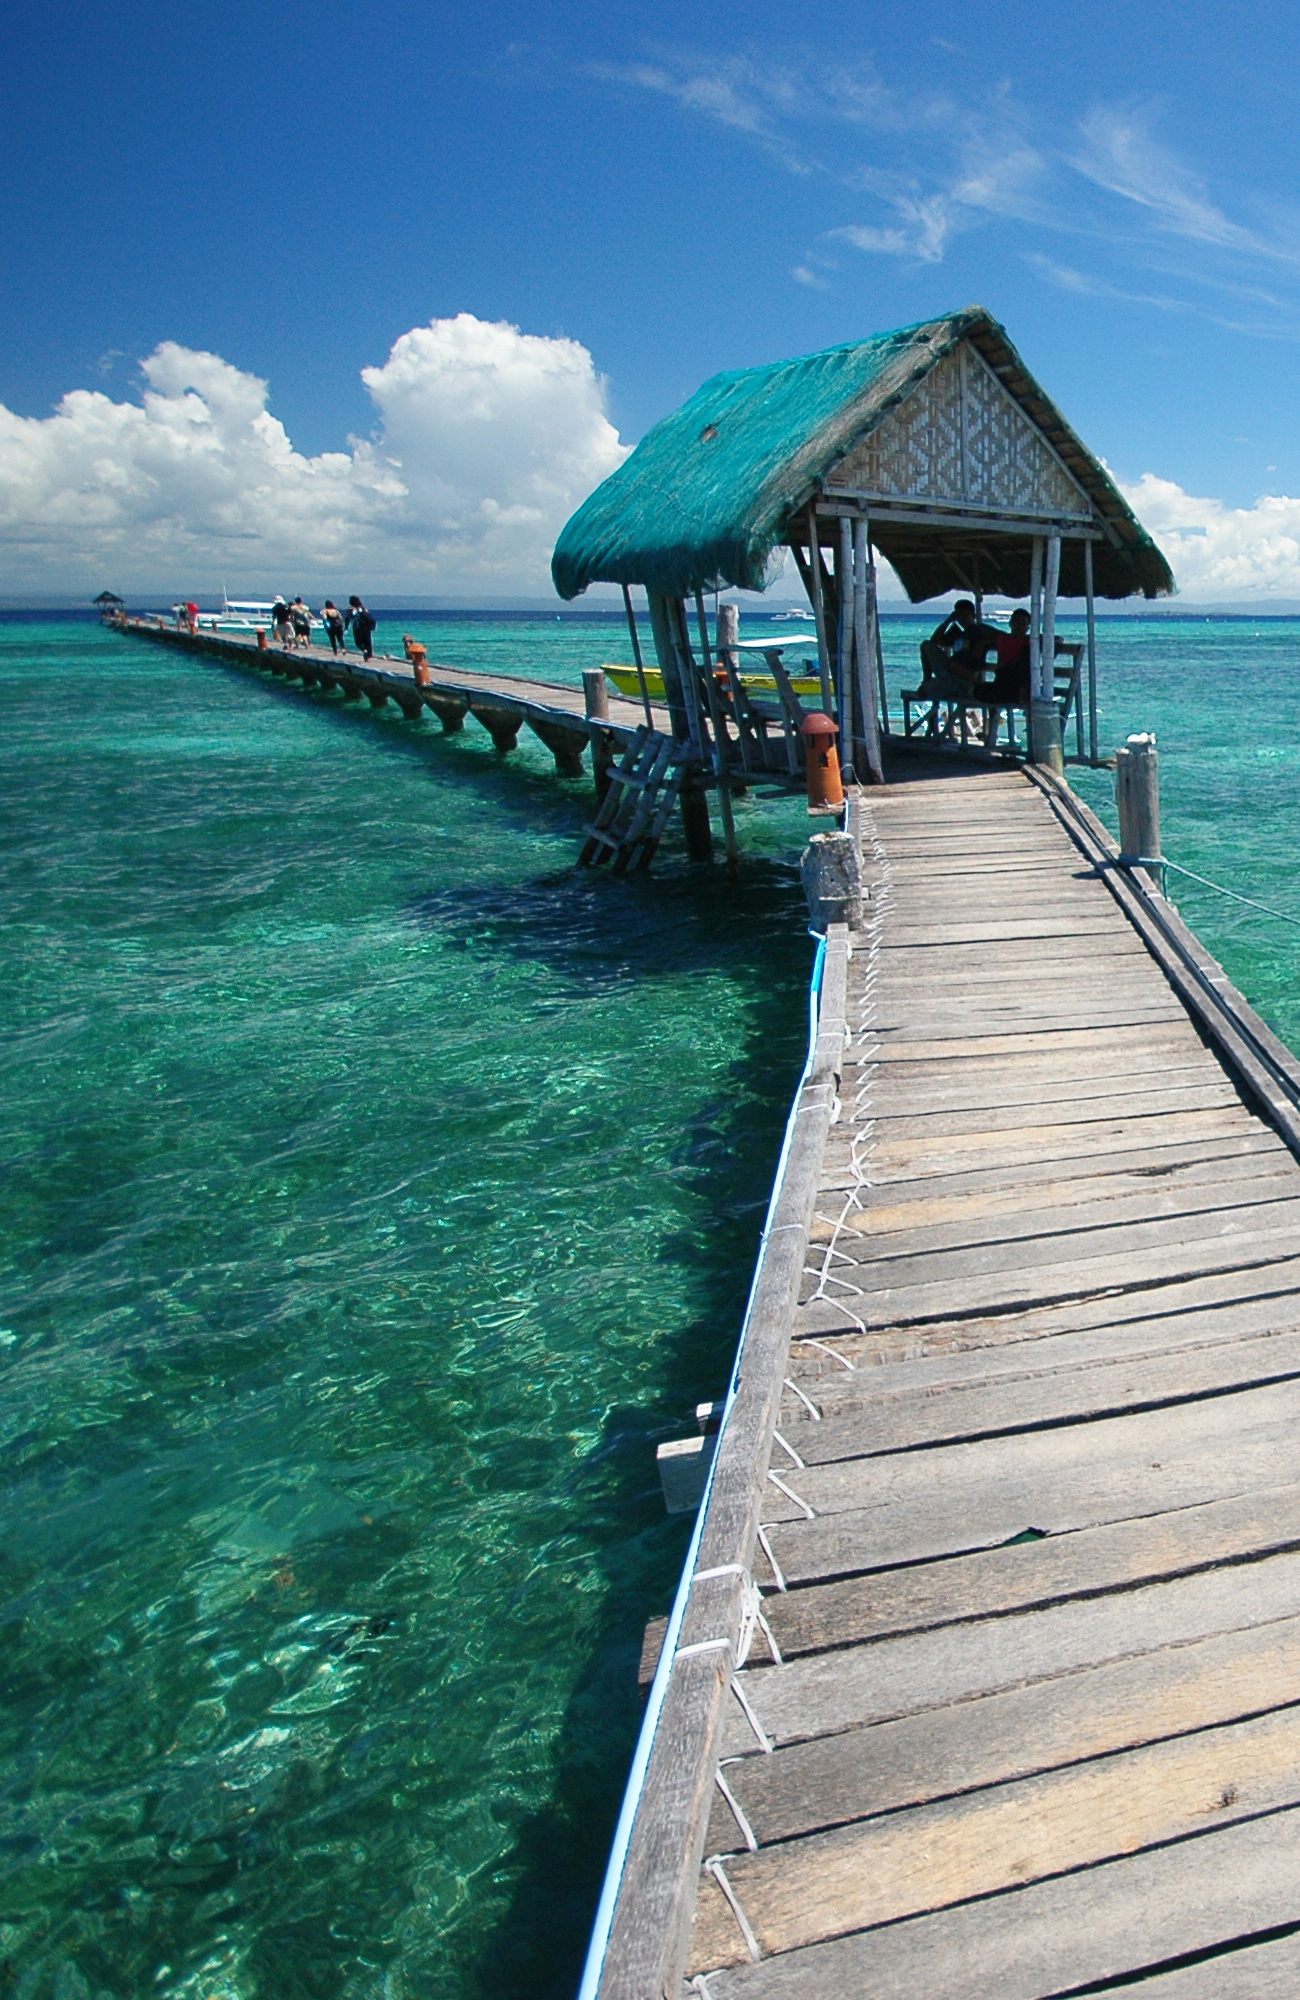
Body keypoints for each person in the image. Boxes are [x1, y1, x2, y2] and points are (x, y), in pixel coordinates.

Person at [918, 599, 1001, 695]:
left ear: (973, 615)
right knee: (926, 645)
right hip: (948, 672)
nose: (962, 618)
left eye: (965, 614)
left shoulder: (981, 630)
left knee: (923, 692)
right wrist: (948, 620)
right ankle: (927, 680)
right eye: (959, 615)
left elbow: (1003, 637)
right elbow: (935, 640)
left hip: (964, 678)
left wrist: (983, 642)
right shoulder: (958, 633)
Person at [347, 595, 376, 661]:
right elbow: (369, 617)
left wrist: (346, 627)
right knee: (368, 641)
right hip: (366, 627)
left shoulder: (351, 609)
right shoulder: (364, 608)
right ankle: (369, 656)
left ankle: (364, 650)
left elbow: (348, 618)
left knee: (358, 642)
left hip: (357, 628)